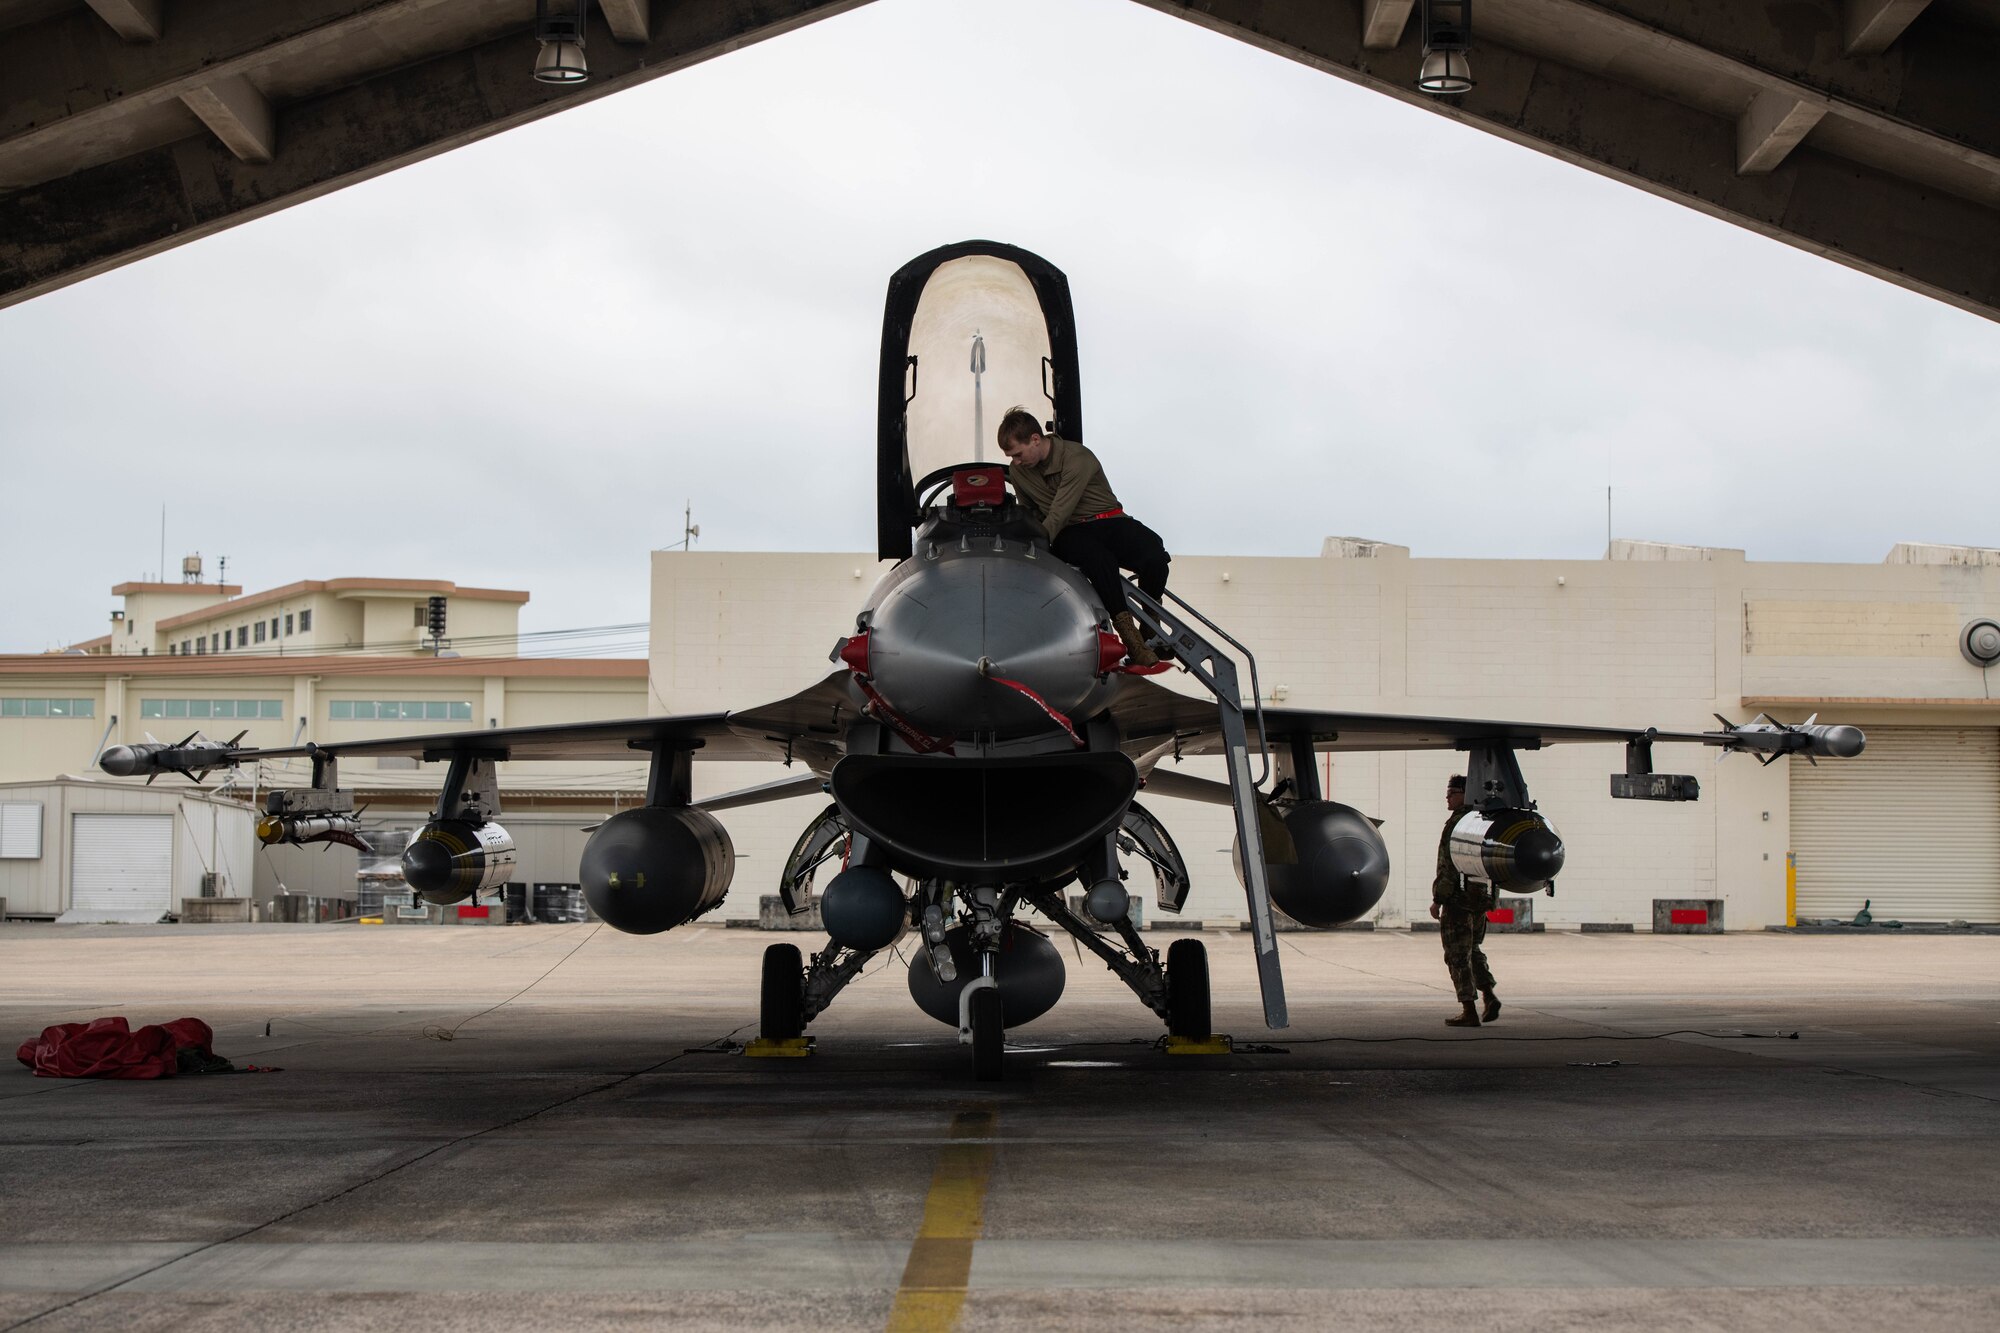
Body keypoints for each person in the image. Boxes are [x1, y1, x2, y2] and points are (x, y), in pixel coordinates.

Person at [995, 407, 1170, 667]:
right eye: (1011, 457)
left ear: (1035, 439)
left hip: (1107, 520)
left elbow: (1060, 510)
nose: (1015, 462)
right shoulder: (1019, 471)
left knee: (1154, 554)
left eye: (1018, 454)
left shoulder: (1077, 458)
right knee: (1099, 561)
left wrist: (1039, 538)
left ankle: (1150, 620)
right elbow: (1030, 510)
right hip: (1068, 532)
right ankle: (1130, 638)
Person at [1431, 774, 1500, 1027]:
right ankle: (1489, 995)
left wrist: (1438, 898)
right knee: (1473, 950)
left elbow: (1448, 865)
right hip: (1480, 898)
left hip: (1458, 900)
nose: (1447, 797)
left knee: (1457, 955)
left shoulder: (1457, 823)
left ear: (1464, 793)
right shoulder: (1483, 821)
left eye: (1452, 792)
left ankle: (1468, 1009)